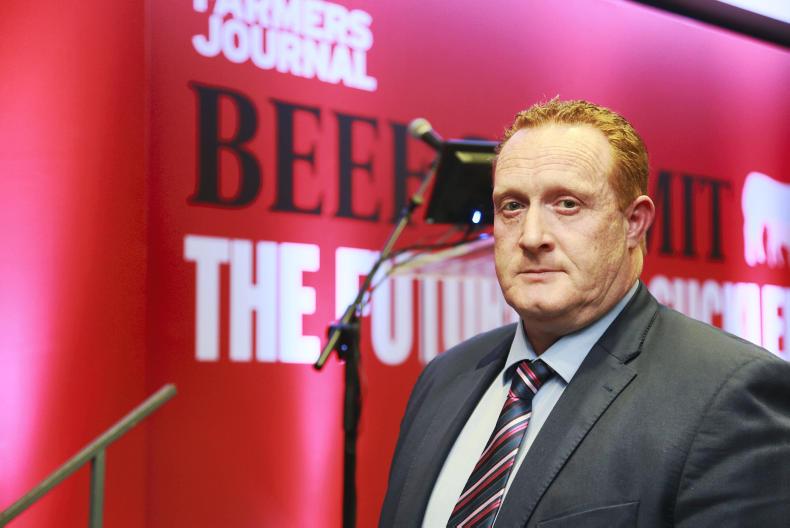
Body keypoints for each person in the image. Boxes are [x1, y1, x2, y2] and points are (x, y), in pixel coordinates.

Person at [379, 99, 790, 527]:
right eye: (513, 206)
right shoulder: (445, 376)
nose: (532, 237)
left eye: (567, 204)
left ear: (634, 222)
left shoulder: (729, 395)